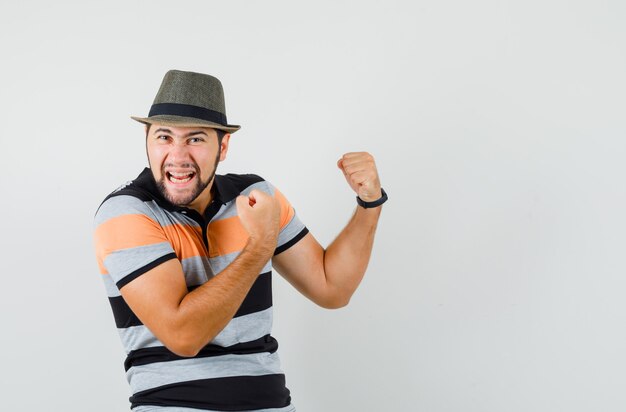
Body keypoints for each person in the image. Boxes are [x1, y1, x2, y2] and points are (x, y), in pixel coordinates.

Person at [93, 69, 388, 412]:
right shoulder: (126, 212)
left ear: (224, 145)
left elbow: (332, 288)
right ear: (147, 140)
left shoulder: (255, 196)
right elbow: (184, 336)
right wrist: (260, 245)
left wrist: (370, 202)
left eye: (196, 139)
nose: (177, 155)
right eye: (164, 137)